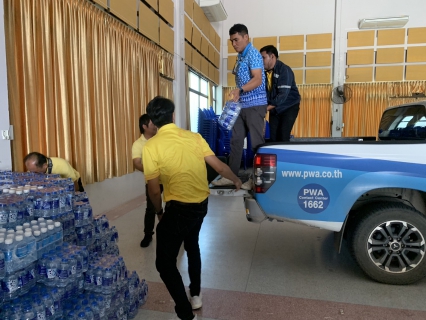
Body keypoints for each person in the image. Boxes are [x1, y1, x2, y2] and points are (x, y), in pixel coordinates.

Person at [143, 96, 242, 320]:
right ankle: (195, 294)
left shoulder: (151, 147)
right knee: (192, 245)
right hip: (201, 205)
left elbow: (154, 191)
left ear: (153, 121)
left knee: (164, 263)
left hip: (178, 209)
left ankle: (185, 313)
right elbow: (219, 166)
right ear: (173, 116)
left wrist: (159, 212)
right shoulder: (194, 137)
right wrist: (236, 180)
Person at [212, 23, 268, 189]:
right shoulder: (241, 56)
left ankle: (258, 179)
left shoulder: (254, 54)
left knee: (256, 144)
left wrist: (240, 89)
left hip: (255, 105)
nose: (234, 44)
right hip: (242, 105)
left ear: (246, 37)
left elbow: (257, 79)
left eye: (236, 40)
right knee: (236, 140)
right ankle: (231, 176)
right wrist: (237, 95)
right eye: (231, 41)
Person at [260, 45, 301, 142]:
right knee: (273, 137)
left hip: (289, 107)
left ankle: (284, 156)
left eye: (263, 57)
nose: (261, 61)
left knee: (283, 134)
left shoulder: (284, 70)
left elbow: (282, 96)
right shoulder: (264, 73)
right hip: (275, 109)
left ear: (272, 56)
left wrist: (264, 109)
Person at [132, 114, 161, 248]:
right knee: (151, 209)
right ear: (144, 126)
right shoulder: (138, 144)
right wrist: (152, 170)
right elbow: (137, 163)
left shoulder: (161, 138)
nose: (155, 126)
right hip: (152, 180)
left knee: (174, 205)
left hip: (168, 179)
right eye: (152, 124)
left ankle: (177, 232)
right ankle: (148, 235)